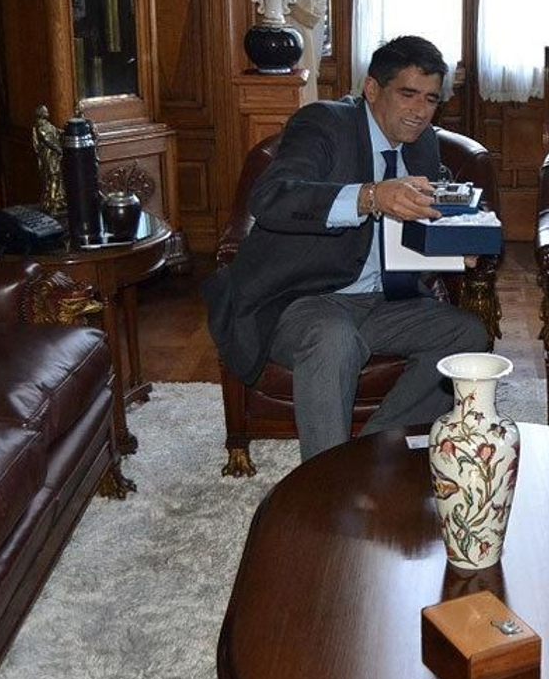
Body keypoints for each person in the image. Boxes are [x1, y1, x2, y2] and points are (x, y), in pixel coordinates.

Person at [203, 35, 490, 461]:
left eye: (431, 99)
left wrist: (456, 243)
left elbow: (425, 213)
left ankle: (365, 458)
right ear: (372, 89)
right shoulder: (323, 124)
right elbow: (272, 197)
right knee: (333, 338)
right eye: (408, 94)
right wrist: (370, 196)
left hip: (384, 299)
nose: (420, 111)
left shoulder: (424, 142)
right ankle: (325, 480)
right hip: (304, 299)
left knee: (468, 334)